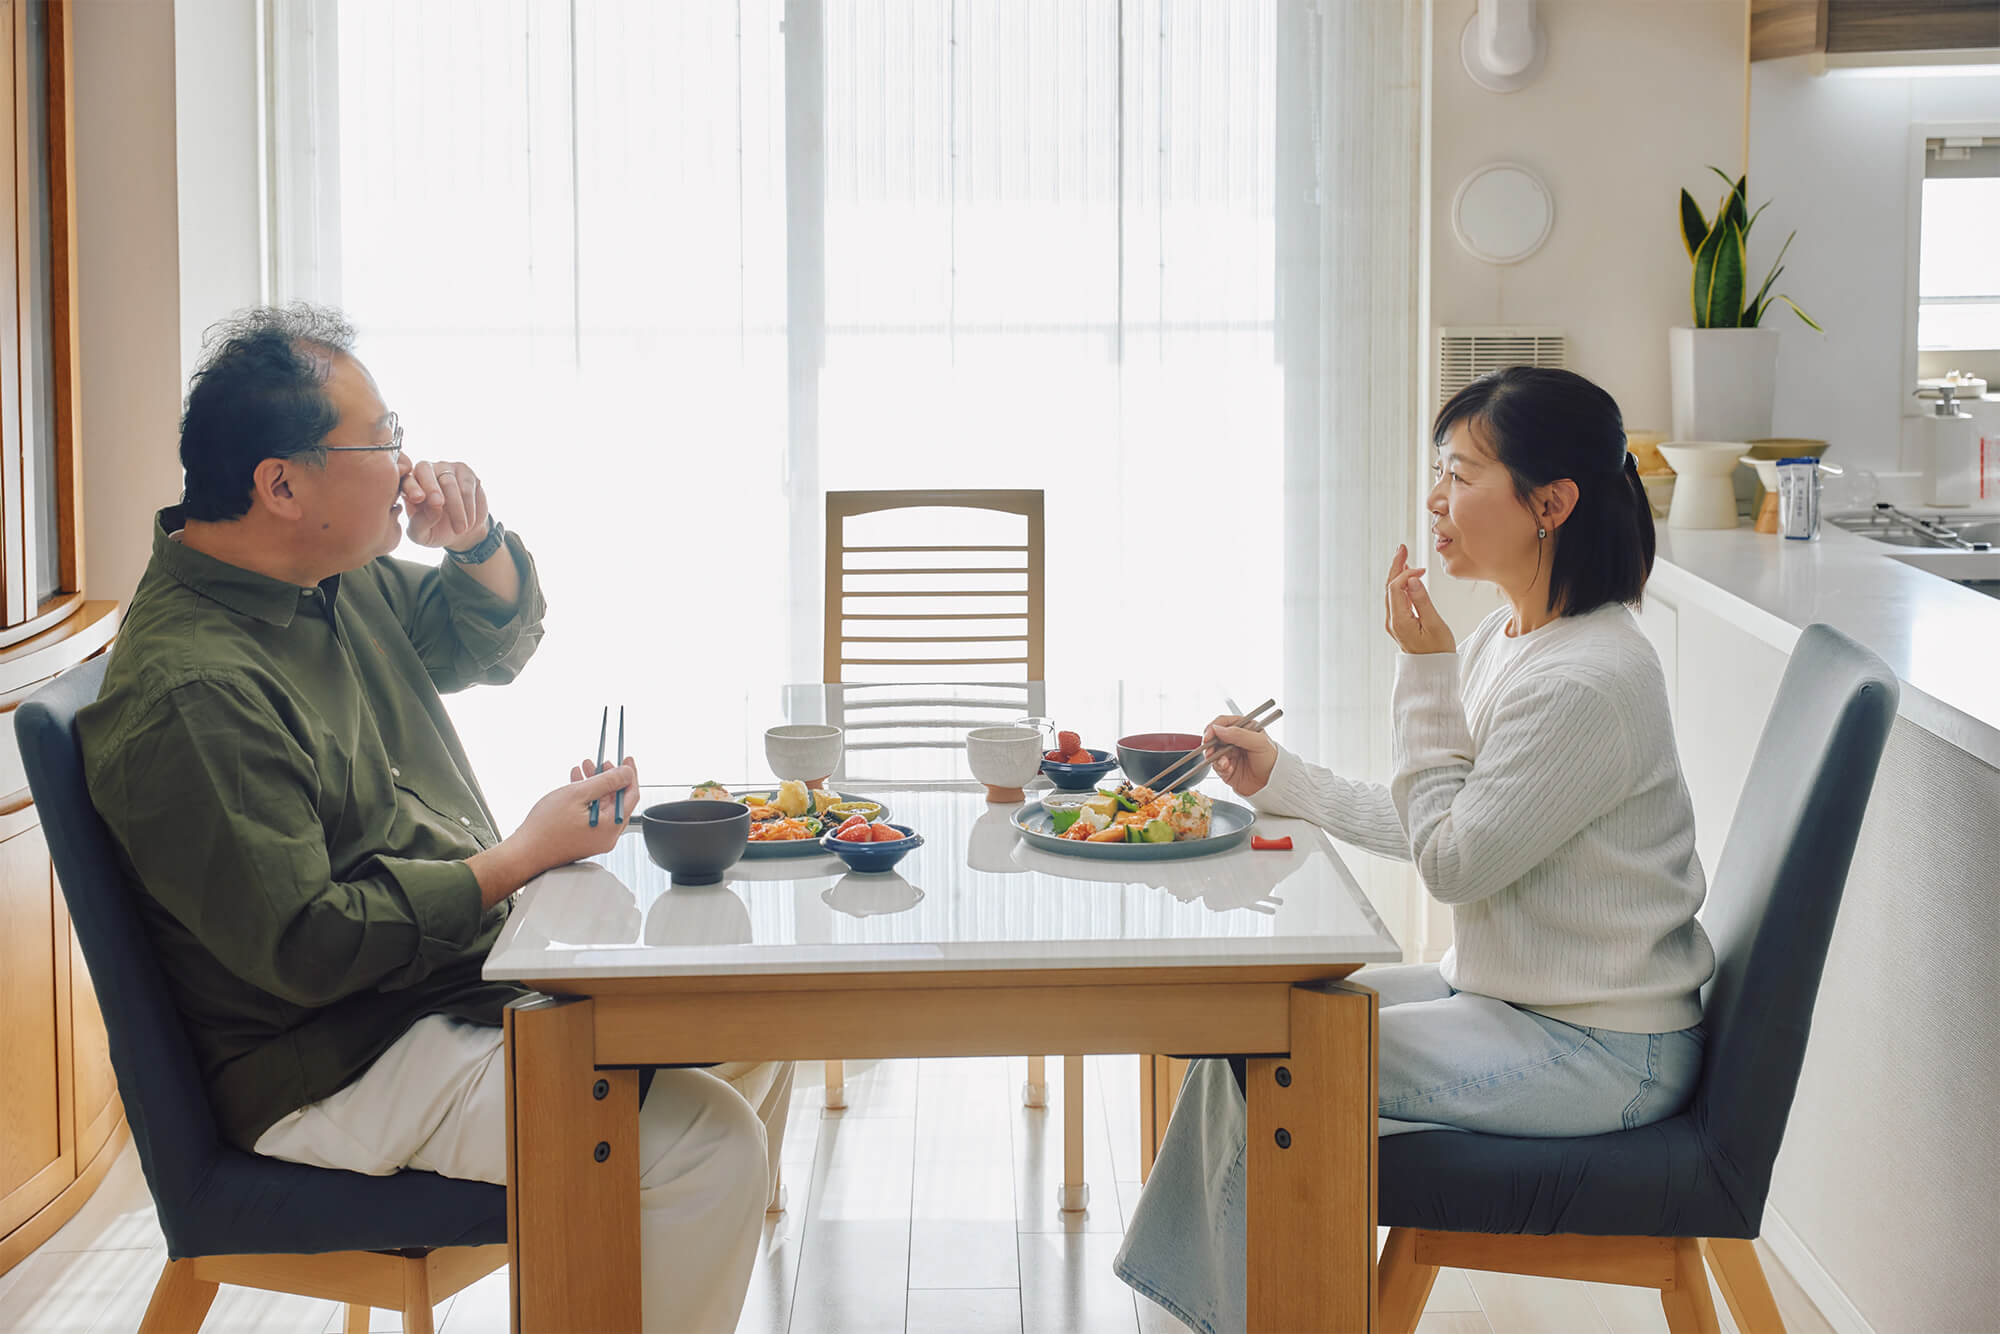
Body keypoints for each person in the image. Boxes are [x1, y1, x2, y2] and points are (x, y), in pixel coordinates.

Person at [79, 305, 791, 1333]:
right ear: (282, 486)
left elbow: (481, 641)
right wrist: (517, 858)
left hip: (426, 979)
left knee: (746, 1015)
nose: (409, 463)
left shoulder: (315, 572)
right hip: (338, 1057)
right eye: (383, 440)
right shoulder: (196, 687)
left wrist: (476, 543)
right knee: (706, 1145)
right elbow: (308, 946)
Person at [1113, 366, 1715, 1332]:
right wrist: (1286, 782)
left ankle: (1232, 1318)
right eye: (1441, 470)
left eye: (1464, 474)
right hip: (1516, 1003)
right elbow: (1456, 827)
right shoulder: (1514, 641)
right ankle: (1209, 1314)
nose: (1436, 498)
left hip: (1602, 1049)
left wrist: (1424, 670)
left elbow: (1452, 863)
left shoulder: (1587, 679)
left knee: (1276, 1054)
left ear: (1550, 502)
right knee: (1253, 1017)